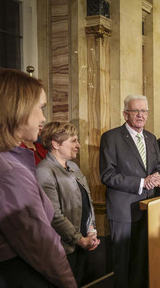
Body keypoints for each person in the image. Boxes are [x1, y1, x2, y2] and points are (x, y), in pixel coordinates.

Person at [0, 69, 76, 287]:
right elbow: (43, 247)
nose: (44, 118)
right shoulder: (7, 171)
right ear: (15, 110)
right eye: (40, 108)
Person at [99, 94, 160, 288]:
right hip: (123, 210)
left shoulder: (151, 138)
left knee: (142, 258)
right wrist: (142, 182)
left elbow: (158, 166)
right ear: (126, 114)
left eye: (144, 111)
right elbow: (107, 175)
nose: (140, 115)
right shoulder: (111, 137)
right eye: (136, 111)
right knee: (123, 261)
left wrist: (157, 176)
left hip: (147, 206)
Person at [36, 121, 100, 285]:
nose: (78, 145)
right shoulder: (44, 170)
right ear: (56, 144)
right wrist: (80, 239)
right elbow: (54, 215)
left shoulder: (73, 166)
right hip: (64, 248)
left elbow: (88, 200)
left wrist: (91, 229)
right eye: (73, 140)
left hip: (83, 241)